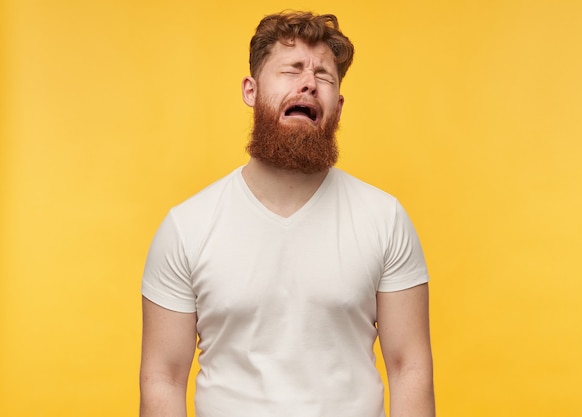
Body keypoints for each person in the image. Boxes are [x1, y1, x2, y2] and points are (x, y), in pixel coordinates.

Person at [139, 11, 435, 417]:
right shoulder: (186, 227)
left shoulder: (385, 219)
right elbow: (163, 377)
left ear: (338, 106)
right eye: (292, 69)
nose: (309, 83)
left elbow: (409, 369)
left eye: (324, 77)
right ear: (251, 90)